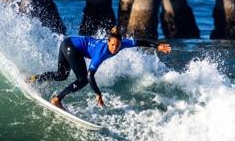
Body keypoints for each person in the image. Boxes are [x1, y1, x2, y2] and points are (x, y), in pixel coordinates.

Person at [27, 27, 171, 109]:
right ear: (108, 42)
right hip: (71, 46)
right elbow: (90, 76)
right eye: (113, 45)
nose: (115, 48)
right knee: (83, 79)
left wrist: (158, 46)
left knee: (61, 75)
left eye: (118, 45)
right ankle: (57, 99)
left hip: (68, 42)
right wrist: (98, 93)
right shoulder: (101, 52)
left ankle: (34, 79)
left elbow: (138, 42)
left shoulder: (122, 44)